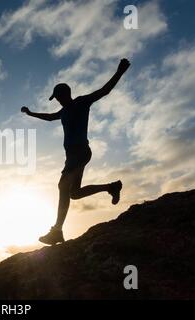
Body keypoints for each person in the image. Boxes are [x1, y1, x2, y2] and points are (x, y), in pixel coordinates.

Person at [21, 58, 131, 245]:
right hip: (73, 156)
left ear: (64, 95)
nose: (57, 100)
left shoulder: (81, 102)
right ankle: (111, 187)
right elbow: (49, 117)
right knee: (74, 193)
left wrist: (120, 72)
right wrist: (31, 113)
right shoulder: (63, 112)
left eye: (57, 97)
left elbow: (104, 91)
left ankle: (56, 231)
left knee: (62, 186)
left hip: (79, 152)